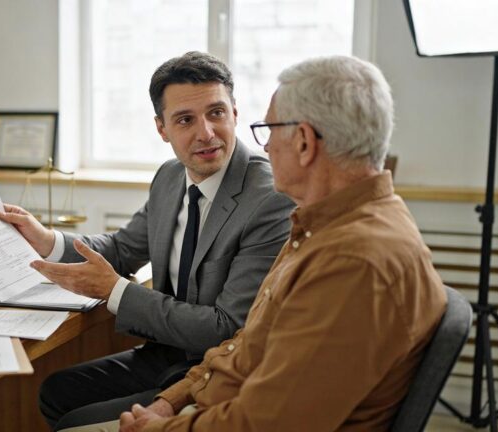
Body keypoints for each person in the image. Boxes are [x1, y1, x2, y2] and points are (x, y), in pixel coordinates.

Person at [64, 55, 448, 432]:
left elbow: (267, 421)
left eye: (269, 129)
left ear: (303, 143)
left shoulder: (354, 259)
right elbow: (247, 345)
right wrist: (170, 402)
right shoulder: (326, 226)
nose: (263, 147)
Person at [0, 51, 294, 430]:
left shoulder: (268, 199)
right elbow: (122, 250)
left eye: (216, 113)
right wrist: (47, 240)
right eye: (185, 120)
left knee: (76, 419)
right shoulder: (170, 177)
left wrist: (116, 291)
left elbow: (227, 328)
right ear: (162, 129)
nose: (206, 133)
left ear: (235, 113)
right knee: (55, 391)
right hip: (165, 352)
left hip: (215, 367)